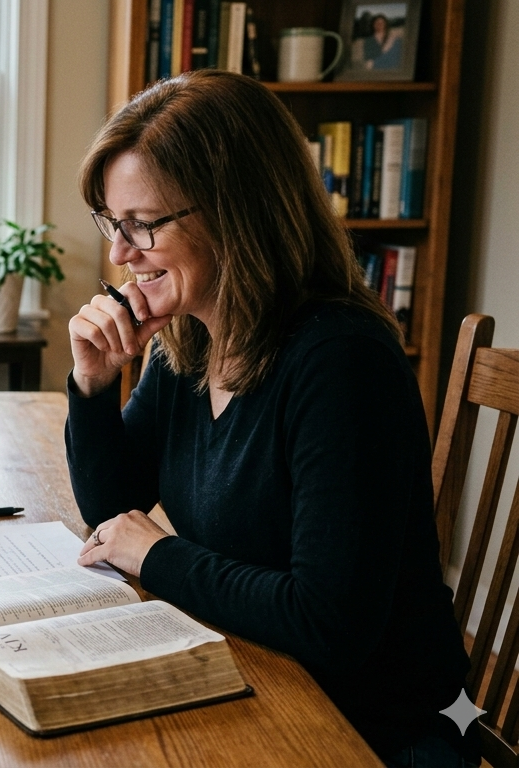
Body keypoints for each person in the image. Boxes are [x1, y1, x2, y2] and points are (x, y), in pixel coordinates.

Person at [65, 70, 475, 768]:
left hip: (362, 730)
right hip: (253, 677)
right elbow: (114, 516)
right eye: (112, 221)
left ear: (236, 211)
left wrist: (159, 555)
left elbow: (329, 623)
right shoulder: (188, 341)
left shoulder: (342, 361)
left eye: (143, 225)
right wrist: (93, 385)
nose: (119, 254)